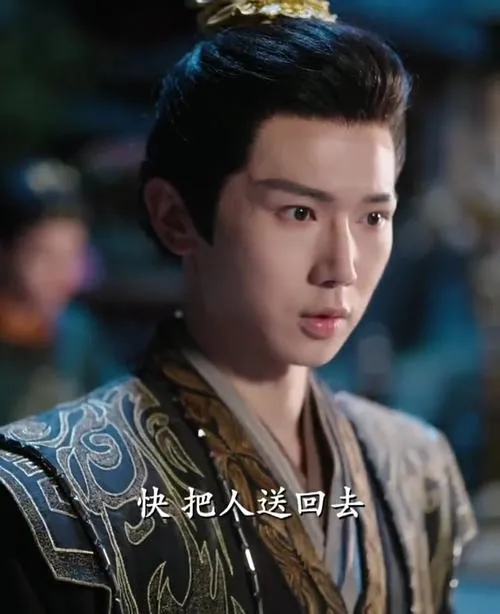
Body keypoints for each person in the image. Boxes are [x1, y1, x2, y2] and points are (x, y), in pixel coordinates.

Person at [0, 2, 477, 613]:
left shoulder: (416, 469)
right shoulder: (46, 491)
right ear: (175, 216)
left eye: (372, 217)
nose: (343, 266)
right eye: (298, 212)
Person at [0, 158, 121, 423]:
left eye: (73, 255)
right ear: (6, 252)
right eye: (43, 255)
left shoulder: (76, 331)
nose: (64, 275)